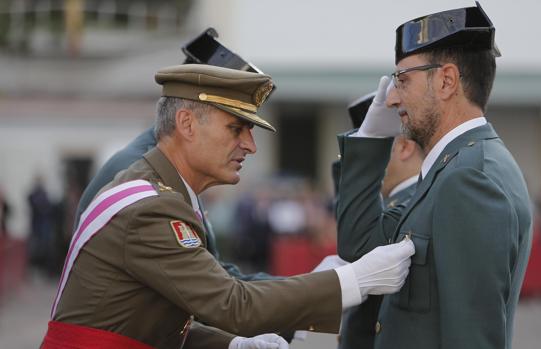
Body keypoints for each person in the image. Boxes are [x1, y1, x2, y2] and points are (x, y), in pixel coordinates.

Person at [41, 63, 415, 349]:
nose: (250, 146)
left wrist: (231, 344)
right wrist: (353, 281)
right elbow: (233, 304)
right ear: (186, 123)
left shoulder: (163, 193)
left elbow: (157, 318)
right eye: (236, 129)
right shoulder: (151, 208)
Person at [336, 3, 532, 349]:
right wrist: (370, 141)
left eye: (402, 80)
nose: (392, 98)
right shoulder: (452, 169)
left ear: (446, 81)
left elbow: (470, 337)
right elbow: (360, 244)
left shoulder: (470, 179)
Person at [331, 93, 423, 349]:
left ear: (404, 147)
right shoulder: (398, 203)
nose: (366, 159)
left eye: (377, 146)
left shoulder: (411, 206)